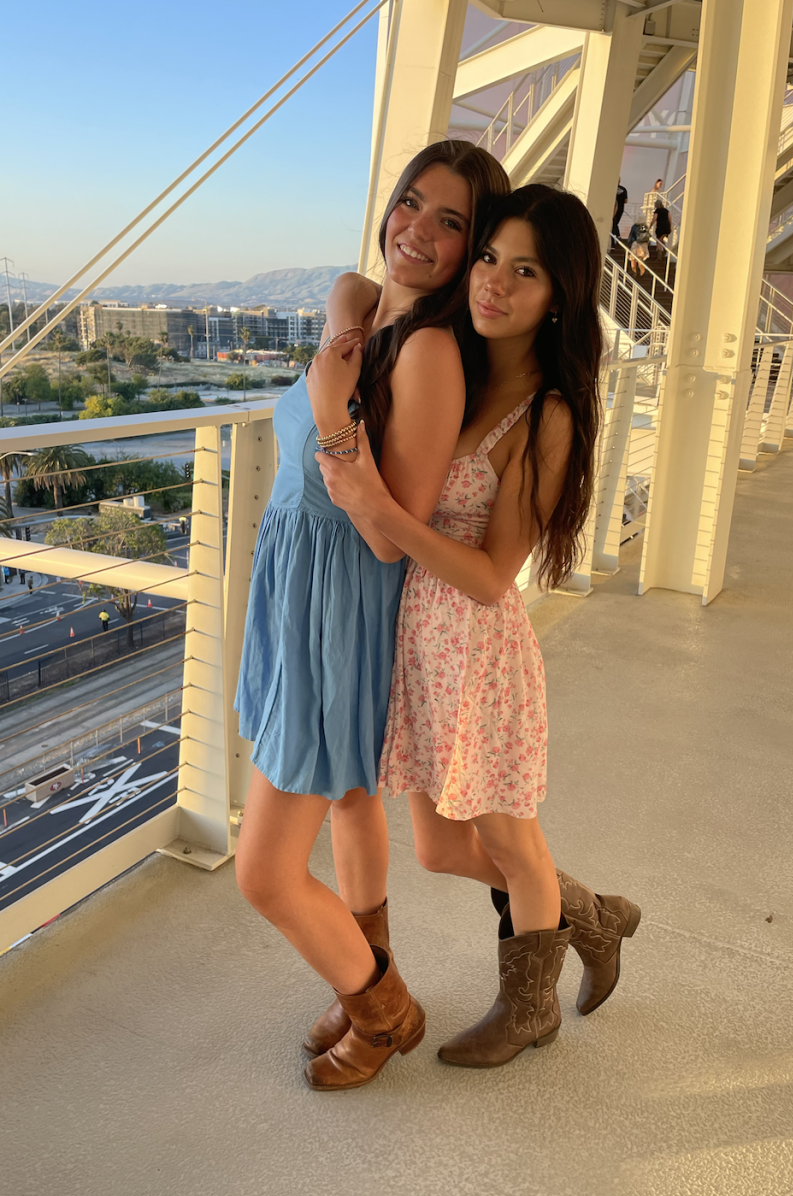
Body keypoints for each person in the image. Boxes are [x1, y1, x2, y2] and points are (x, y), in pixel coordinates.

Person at [319, 184, 640, 1069]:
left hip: (477, 647)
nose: (494, 282)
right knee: (437, 848)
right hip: (420, 640)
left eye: (524, 270)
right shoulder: (457, 365)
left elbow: (492, 575)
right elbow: (358, 287)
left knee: (506, 839)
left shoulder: (547, 412)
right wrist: (342, 316)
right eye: (489, 257)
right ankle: (594, 914)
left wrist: (375, 505)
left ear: (559, 296)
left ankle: (527, 1007)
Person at [233, 140, 509, 1092]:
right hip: (295, 584)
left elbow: (393, 536)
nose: (416, 232)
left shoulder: (430, 353)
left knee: (264, 872)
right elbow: (352, 280)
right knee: (351, 801)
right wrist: (340, 328)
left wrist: (334, 404)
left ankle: (382, 1009)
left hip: (341, 600)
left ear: (475, 250)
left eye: (450, 223)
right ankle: (363, 972)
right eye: (408, 203)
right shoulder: (372, 309)